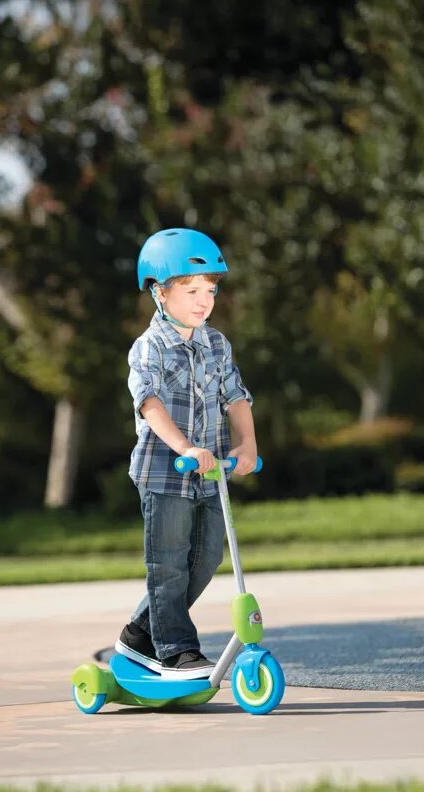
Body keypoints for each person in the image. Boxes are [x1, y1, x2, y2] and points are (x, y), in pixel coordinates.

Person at [116, 228, 258, 680]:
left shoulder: (216, 344)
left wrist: (247, 444)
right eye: (192, 290)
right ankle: (175, 649)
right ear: (159, 292)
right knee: (169, 563)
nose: (204, 301)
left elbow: (235, 396)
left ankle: (138, 634)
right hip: (165, 472)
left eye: (210, 291)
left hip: (211, 473)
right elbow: (149, 402)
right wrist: (184, 447)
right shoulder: (149, 347)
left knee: (206, 559)